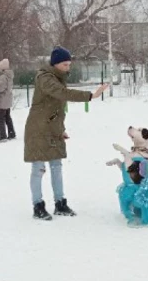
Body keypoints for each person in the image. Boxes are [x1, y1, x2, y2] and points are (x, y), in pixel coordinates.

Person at [24, 46, 108, 220]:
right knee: (38, 168)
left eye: (69, 64)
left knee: (56, 167)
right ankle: (37, 206)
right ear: (55, 64)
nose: (68, 68)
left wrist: (61, 129)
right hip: (38, 130)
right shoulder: (45, 78)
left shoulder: (58, 77)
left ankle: (60, 203)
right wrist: (90, 96)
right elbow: (62, 94)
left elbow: (57, 109)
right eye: (65, 64)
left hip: (53, 129)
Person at [0, 58, 16, 143]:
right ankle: (11, 133)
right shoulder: (10, 75)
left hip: (3, 100)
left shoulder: (3, 76)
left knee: (1, 119)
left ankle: (3, 136)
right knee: (7, 117)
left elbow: (1, 88)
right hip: (8, 99)